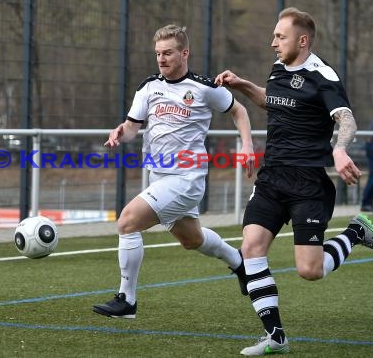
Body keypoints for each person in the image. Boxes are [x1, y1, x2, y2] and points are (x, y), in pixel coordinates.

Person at [215, 7, 373, 355]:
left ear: (303, 40)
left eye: (280, 36)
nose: (272, 43)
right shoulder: (279, 68)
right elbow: (275, 102)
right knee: (251, 248)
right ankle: (276, 337)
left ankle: (357, 232)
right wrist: (244, 85)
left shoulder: (323, 75)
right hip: (272, 176)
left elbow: (346, 119)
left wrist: (340, 150)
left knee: (310, 271)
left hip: (308, 182)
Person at [92, 24, 255, 319]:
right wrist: (120, 131)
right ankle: (239, 262)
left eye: (168, 53)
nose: (161, 59)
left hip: (186, 179)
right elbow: (132, 128)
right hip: (159, 178)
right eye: (157, 54)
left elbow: (239, 111)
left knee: (127, 222)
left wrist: (246, 145)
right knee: (191, 240)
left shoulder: (204, 87)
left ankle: (126, 301)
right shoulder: (148, 87)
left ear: (184, 53)